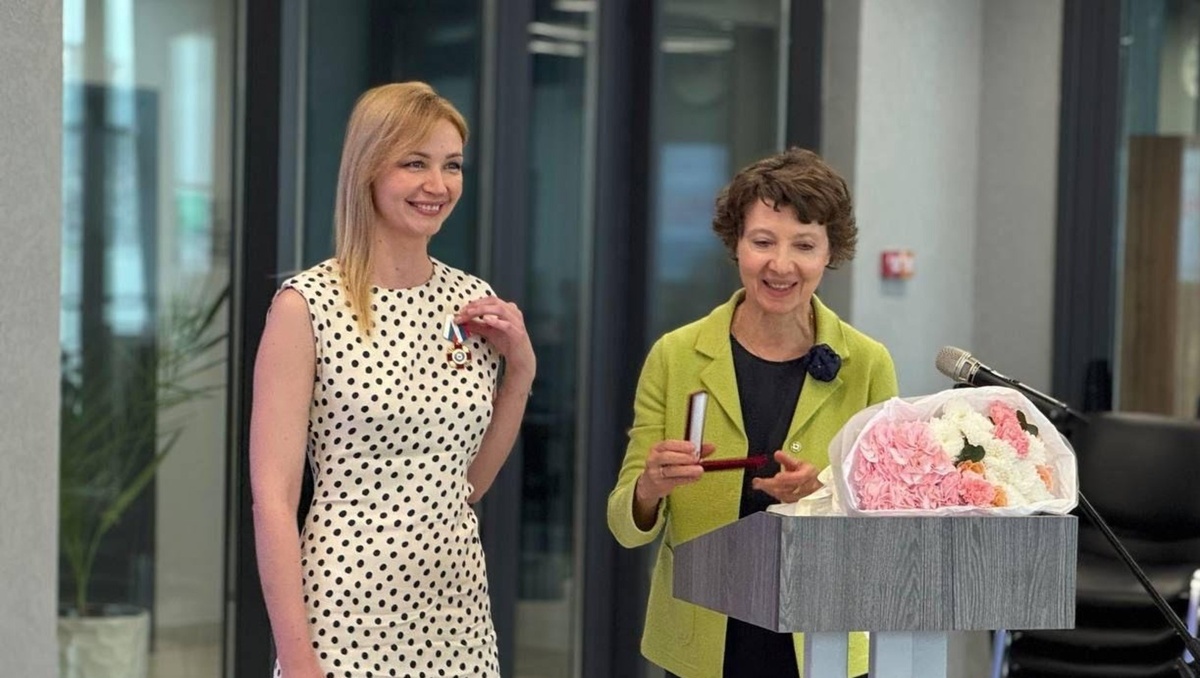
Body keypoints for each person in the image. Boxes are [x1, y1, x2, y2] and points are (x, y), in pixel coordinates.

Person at [250, 81, 535, 678]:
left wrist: (521, 372)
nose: (438, 185)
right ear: (368, 168)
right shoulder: (307, 306)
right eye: (415, 163)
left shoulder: (470, 302)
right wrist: (295, 656)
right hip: (344, 613)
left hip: (457, 614)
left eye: (452, 165)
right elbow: (272, 500)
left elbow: (467, 485)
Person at [607, 148, 897, 678]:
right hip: (702, 633)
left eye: (804, 245)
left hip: (821, 637)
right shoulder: (675, 356)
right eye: (762, 241)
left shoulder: (868, 364)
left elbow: (885, 527)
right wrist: (649, 487)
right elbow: (627, 526)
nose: (780, 265)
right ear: (735, 243)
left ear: (830, 252)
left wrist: (820, 497)